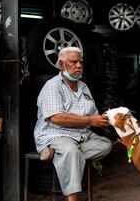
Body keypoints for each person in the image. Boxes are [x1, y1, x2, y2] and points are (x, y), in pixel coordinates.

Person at [34, 47, 112, 201]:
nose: (79, 66)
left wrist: (105, 118)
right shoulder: (53, 86)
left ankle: (54, 153)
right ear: (62, 65)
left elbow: (93, 114)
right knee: (70, 150)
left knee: (105, 145)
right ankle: (72, 198)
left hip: (82, 135)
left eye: (81, 62)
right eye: (74, 62)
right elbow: (56, 118)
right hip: (57, 134)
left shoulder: (83, 87)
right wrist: (90, 121)